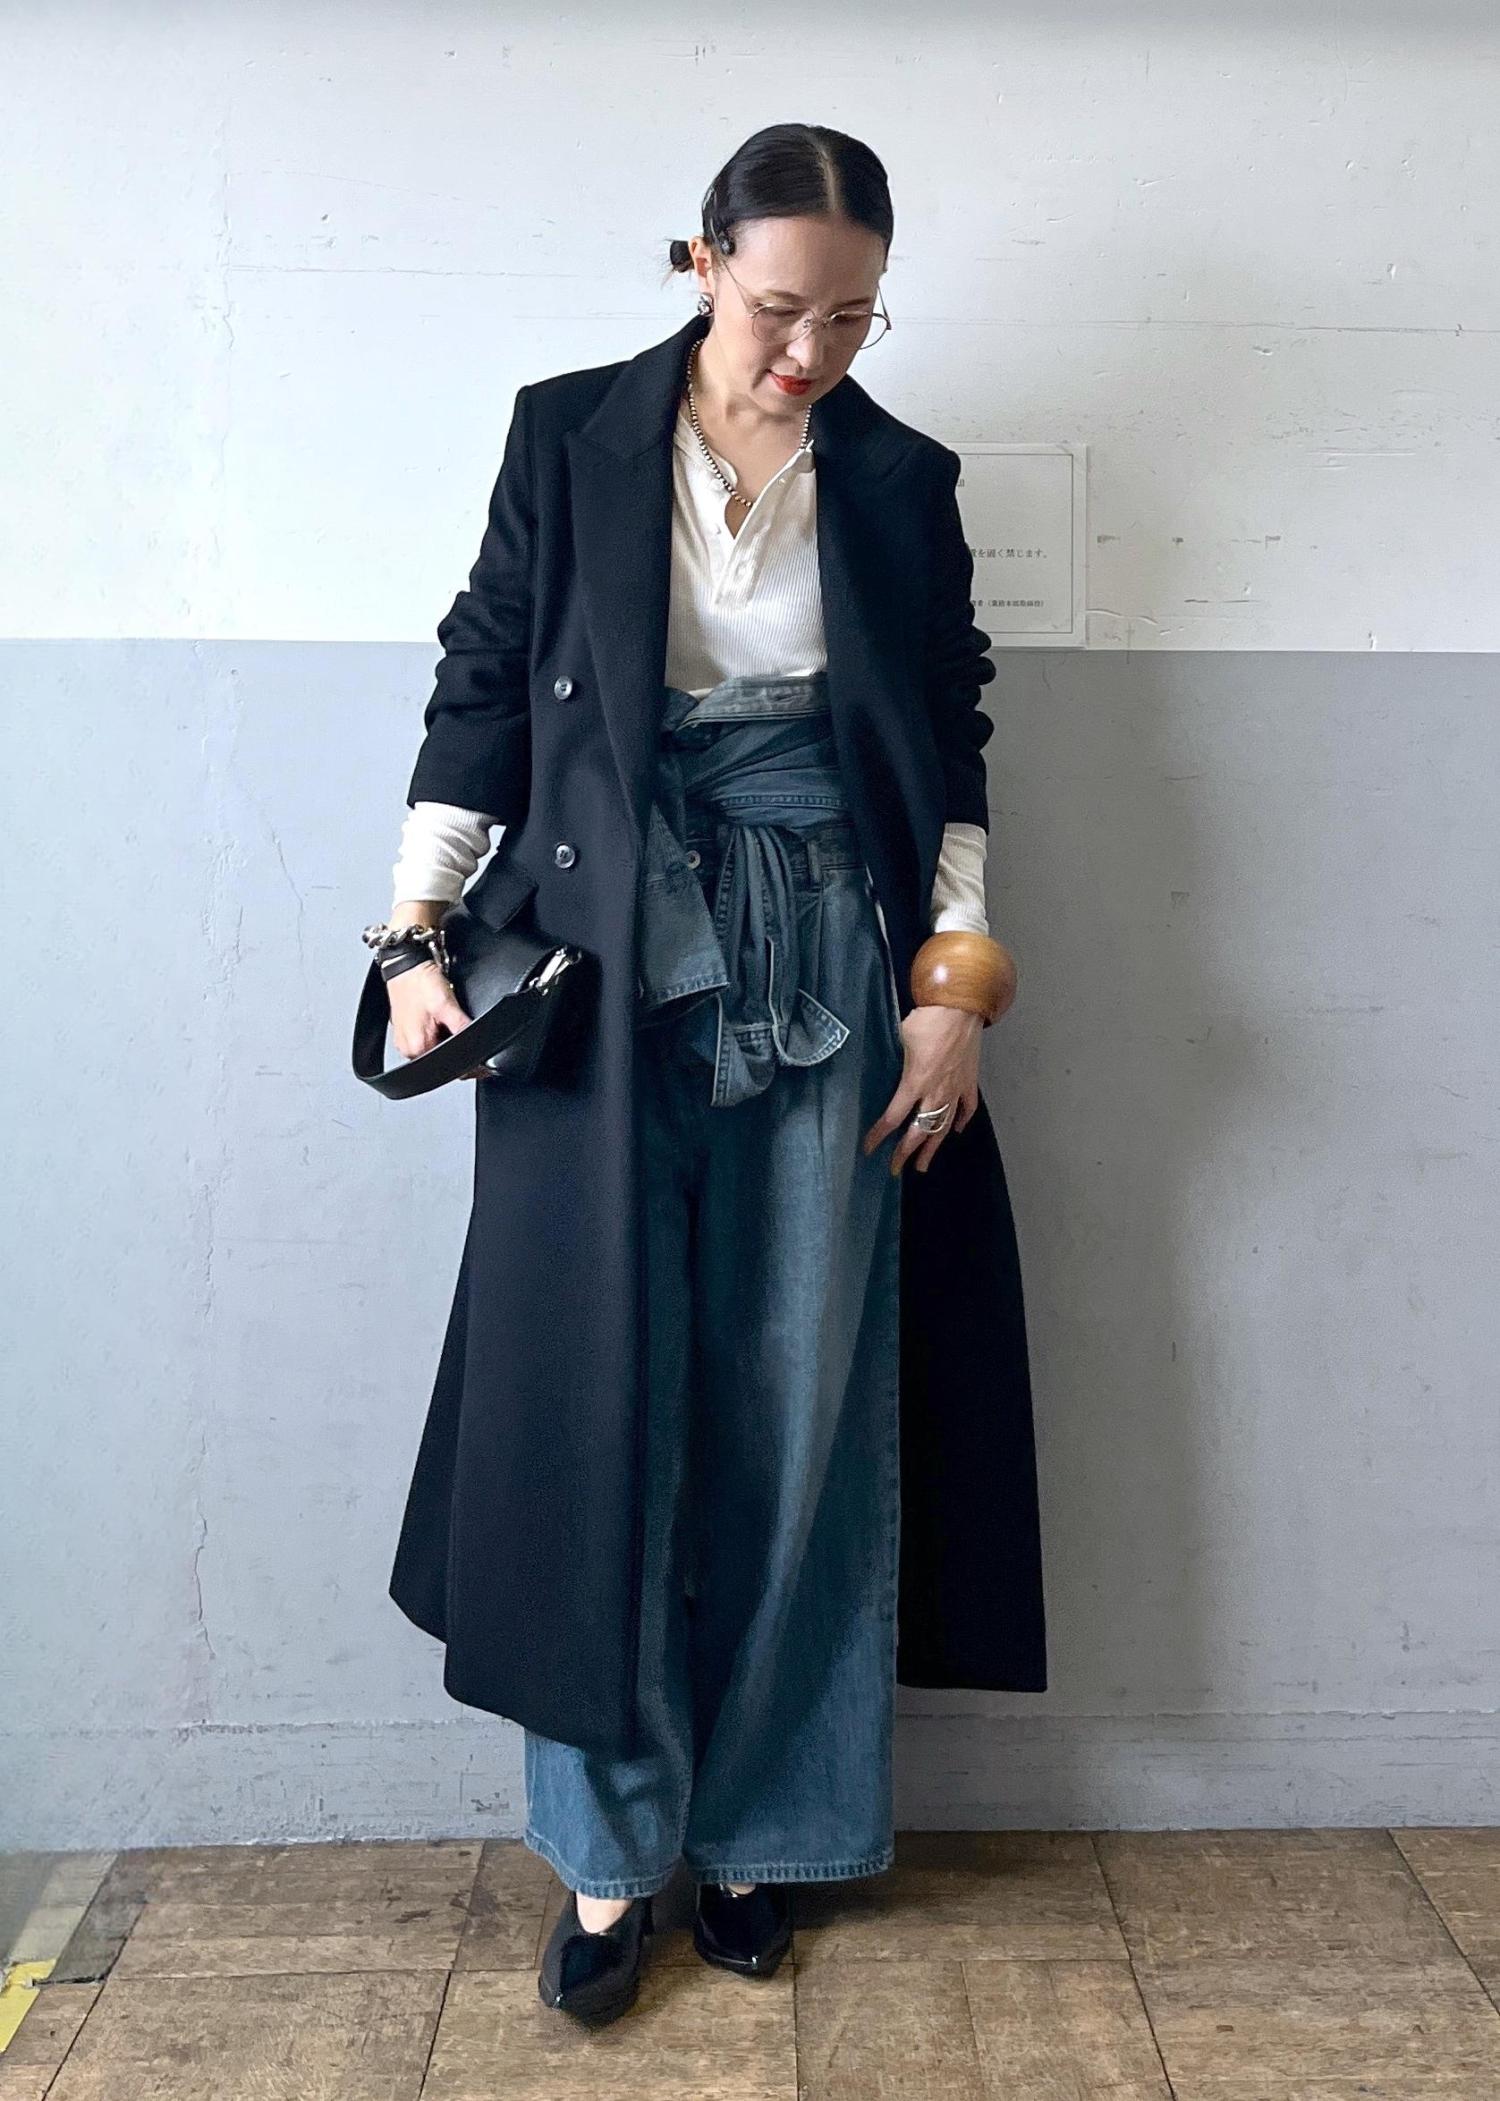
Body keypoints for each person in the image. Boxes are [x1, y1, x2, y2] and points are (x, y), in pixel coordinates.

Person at [369, 122, 1043, 2027]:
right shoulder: (568, 433)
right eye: (778, 308)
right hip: (599, 956)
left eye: (853, 316)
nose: (810, 351)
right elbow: (485, 673)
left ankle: (765, 1828)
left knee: (797, 1395)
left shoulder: (900, 477)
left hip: (833, 945)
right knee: (600, 1395)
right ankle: (607, 1853)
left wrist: (955, 988)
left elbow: (950, 735)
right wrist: (416, 933)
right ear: (701, 263)